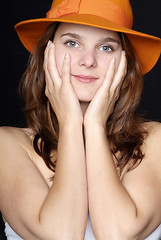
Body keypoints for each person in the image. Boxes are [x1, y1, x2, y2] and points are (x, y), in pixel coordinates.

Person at [0, 0, 161, 239]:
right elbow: (61, 236)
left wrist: (94, 124)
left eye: (106, 47)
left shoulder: (154, 141)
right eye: (72, 43)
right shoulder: (7, 144)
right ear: (48, 53)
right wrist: (71, 124)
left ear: (125, 63)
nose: (88, 61)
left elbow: (117, 235)